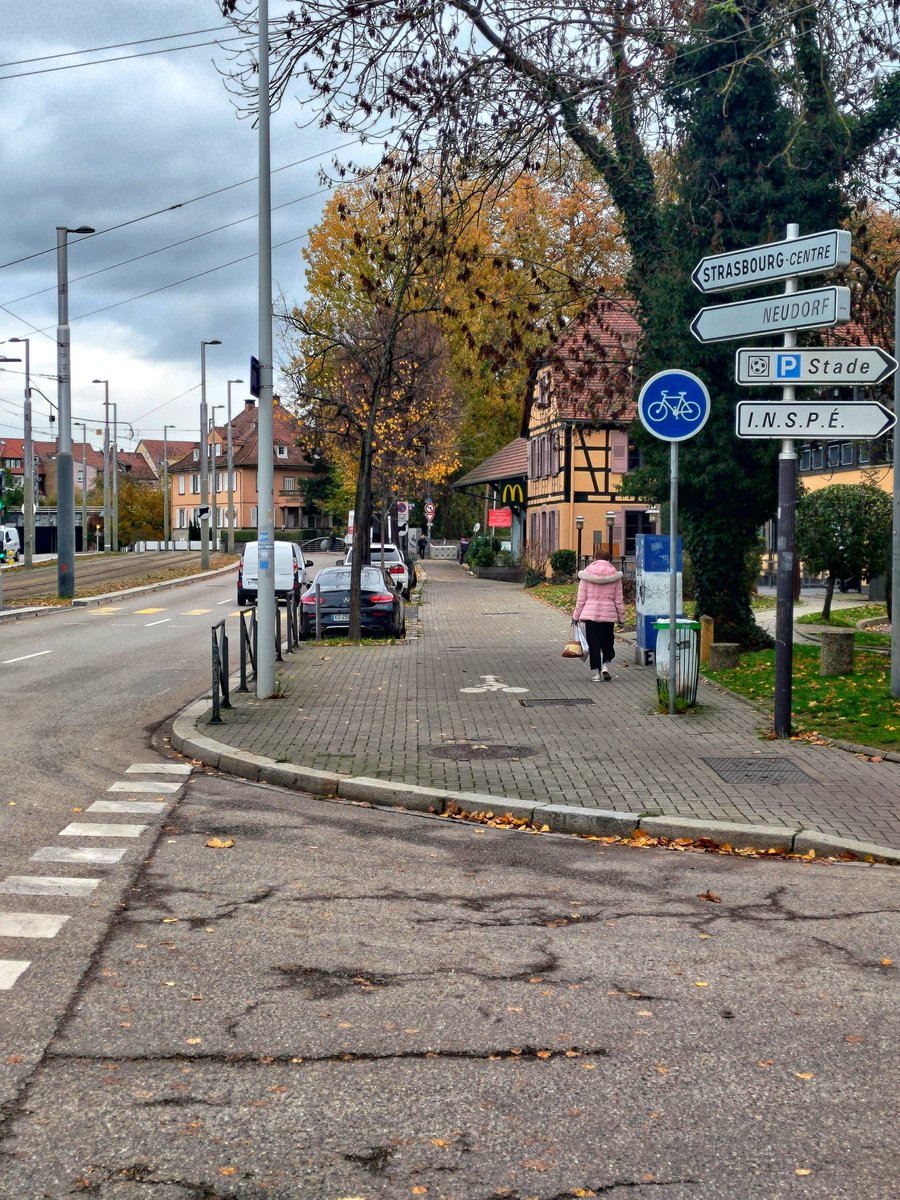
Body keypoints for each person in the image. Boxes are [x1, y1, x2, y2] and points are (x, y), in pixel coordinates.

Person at [572, 549, 624, 681]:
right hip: (609, 615)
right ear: (609, 559)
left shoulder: (586, 575)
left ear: (595, 558)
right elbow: (619, 600)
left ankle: (596, 673)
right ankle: (606, 665)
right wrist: (621, 618)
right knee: (608, 642)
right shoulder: (615, 576)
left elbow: (581, 599)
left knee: (593, 644)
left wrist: (576, 616)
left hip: (591, 615)